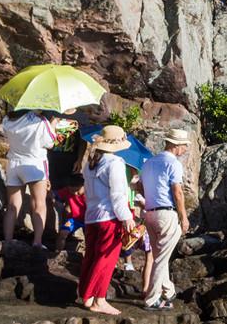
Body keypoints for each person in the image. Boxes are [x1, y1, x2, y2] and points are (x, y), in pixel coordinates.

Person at [78, 125, 135, 315]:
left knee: (91, 257)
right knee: (106, 259)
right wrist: (126, 217)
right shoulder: (115, 162)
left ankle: (86, 296)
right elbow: (118, 195)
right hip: (109, 217)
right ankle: (99, 299)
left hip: (91, 217)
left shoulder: (90, 163)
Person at [140, 129, 190, 310]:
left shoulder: (148, 163)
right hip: (166, 214)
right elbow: (177, 193)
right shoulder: (173, 163)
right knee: (161, 259)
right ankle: (152, 299)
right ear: (176, 146)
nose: (185, 149)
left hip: (150, 213)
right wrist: (183, 217)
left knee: (160, 255)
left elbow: (139, 186)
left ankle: (168, 290)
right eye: (184, 145)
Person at [2, 109, 59, 248]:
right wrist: (54, 124)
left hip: (14, 164)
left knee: (11, 206)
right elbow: (50, 143)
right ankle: (37, 242)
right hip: (34, 164)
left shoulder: (8, 119)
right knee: (39, 204)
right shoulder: (40, 121)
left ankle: (7, 240)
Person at [55, 174, 86, 251]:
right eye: (72, 190)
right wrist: (52, 196)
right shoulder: (66, 191)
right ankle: (58, 251)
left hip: (88, 220)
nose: (75, 193)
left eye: (77, 190)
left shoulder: (90, 193)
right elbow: (56, 194)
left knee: (89, 238)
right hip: (73, 219)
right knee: (62, 233)